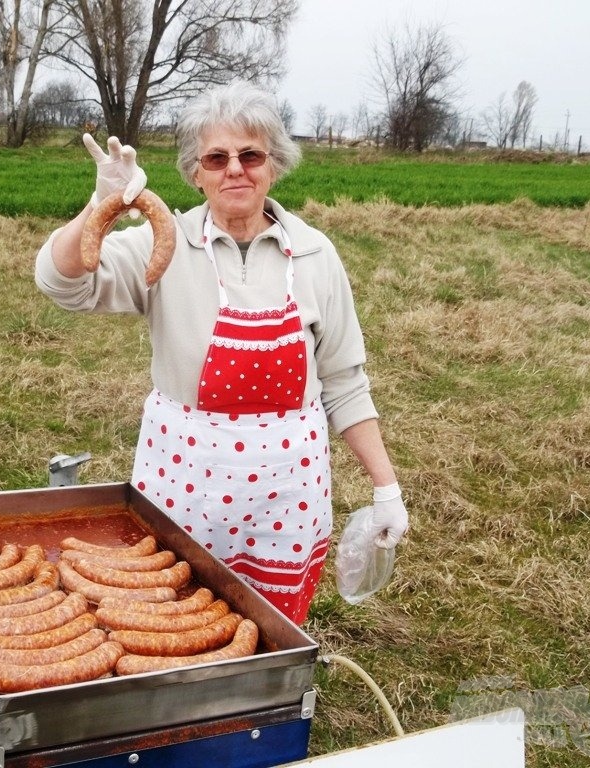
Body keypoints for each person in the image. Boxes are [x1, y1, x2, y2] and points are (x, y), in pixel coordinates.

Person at [35, 81, 407, 623]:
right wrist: (102, 206)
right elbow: (60, 283)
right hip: (185, 489)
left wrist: (386, 486)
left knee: (269, 630)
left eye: (250, 154)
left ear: (273, 164)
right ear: (196, 172)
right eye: (217, 157)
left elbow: (345, 382)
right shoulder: (164, 244)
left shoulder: (315, 254)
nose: (235, 168)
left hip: (287, 497)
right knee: (172, 617)